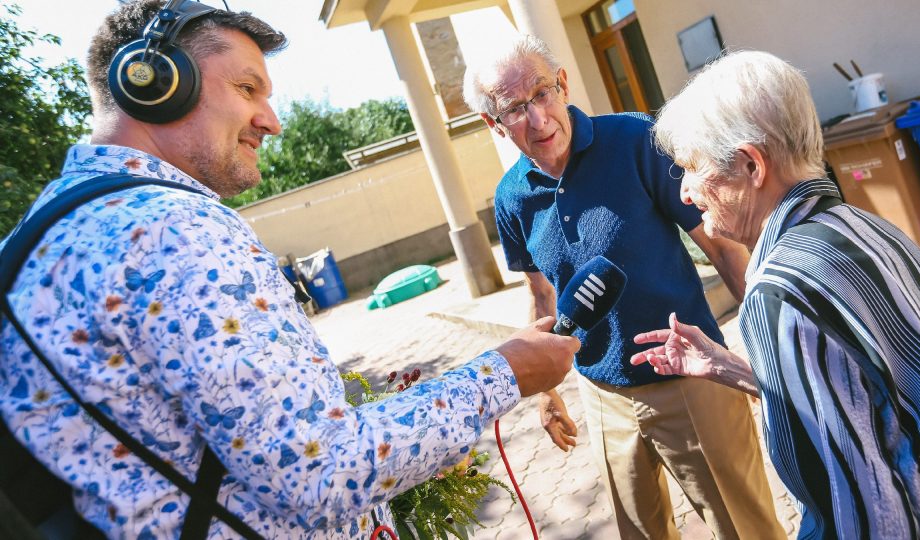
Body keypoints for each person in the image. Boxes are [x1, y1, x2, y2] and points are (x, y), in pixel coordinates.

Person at [0, 2, 581, 538]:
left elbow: (232, 438)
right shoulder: (172, 232)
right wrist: (504, 373)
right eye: (247, 87)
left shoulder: (46, 234)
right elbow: (320, 472)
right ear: (154, 83)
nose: (270, 121)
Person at [462, 35, 784, 539]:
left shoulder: (636, 139)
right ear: (494, 124)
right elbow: (542, 293)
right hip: (602, 393)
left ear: (564, 84)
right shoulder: (511, 198)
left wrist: (772, 349)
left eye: (543, 93)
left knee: (746, 529)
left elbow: (723, 247)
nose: (538, 119)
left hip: (692, 380)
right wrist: (547, 393)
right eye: (515, 109)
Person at [635, 50, 920, 538]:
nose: (683, 192)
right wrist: (730, 368)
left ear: (750, 165)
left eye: (691, 167)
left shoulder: (778, 293)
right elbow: (868, 391)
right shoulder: (867, 228)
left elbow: (859, 496)